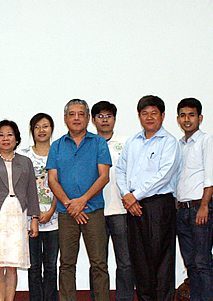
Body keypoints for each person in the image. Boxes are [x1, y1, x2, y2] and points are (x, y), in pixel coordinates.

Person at [116, 95, 181, 301]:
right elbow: (120, 170)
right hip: (133, 206)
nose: (149, 117)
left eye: (154, 113)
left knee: (161, 260)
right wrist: (127, 196)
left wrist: (134, 196)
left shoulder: (169, 142)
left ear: (162, 115)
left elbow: (164, 175)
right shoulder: (132, 142)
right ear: (139, 116)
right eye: (145, 113)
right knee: (139, 260)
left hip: (158, 205)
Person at [47, 99, 111, 301]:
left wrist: (81, 201)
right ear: (65, 119)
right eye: (72, 114)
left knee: (99, 263)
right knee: (66, 264)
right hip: (67, 214)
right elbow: (52, 180)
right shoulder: (57, 146)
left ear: (88, 118)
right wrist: (69, 204)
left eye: (81, 114)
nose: (76, 118)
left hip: (93, 210)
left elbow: (104, 176)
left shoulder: (99, 142)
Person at [0, 120, 41, 301]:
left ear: (17, 138)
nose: (6, 139)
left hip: (17, 215)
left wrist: (34, 217)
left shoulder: (25, 162)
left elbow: (32, 192)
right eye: (1, 135)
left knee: (12, 265)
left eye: (10, 134)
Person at [175, 98, 213, 301]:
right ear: (178, 118)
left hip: (199, 208)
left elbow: (210, 176)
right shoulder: (179, 145)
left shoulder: (207, 140)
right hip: (182, 210)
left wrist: (204, 206)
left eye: (191, 115)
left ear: (200, 118)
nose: (187, 119)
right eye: (183, 115)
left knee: (202, 262)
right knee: (191, 263)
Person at [90, 101, 135, 301]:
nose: (105, 120)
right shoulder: (87, 145)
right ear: (93, 120)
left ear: (115, 119)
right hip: (95, 211)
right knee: (98, 263)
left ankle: (124, 298)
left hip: (121, 211)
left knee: (125, 261)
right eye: (100, 116)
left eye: (108, 116)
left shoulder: (126, 143)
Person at [17, 113, 59, 301]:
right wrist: (35, 213)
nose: (42, 131)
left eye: (45, 126)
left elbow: (62, 184)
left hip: (55, 219)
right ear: (32, 130)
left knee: (50, 266)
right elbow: (20, 188)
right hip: (29, 220)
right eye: (37, 127)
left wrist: (51, 210)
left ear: (52, 129)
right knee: (33, 266)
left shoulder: (58, 152)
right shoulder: (24, 155)